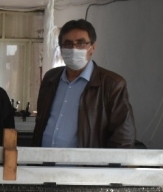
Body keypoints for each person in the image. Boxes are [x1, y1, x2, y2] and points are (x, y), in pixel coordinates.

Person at [32, 19, 136, 148]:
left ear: (92, 47)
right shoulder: (51, 78)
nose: (74, 49)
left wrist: (103, 161)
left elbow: (124, 137)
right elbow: (40, 122)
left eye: (81, 43)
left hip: (85, 161)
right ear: (61, 49)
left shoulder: (112, 84)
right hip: (44, 158)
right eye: (68, 44)